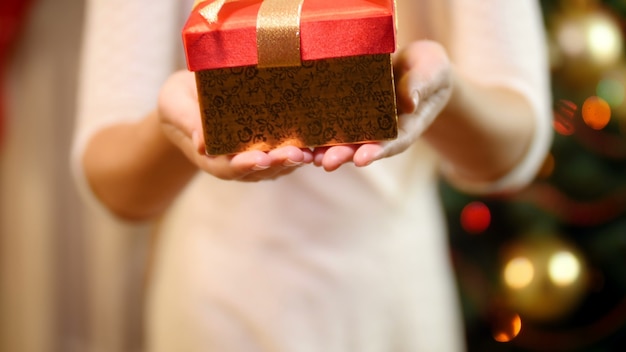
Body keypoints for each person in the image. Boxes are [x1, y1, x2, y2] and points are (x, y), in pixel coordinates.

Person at [72, 0, 552, 350]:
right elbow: (112, 179)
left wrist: (443, 93)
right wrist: (177, 126)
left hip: (392, 296)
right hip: (219, 300)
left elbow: (515, 143)